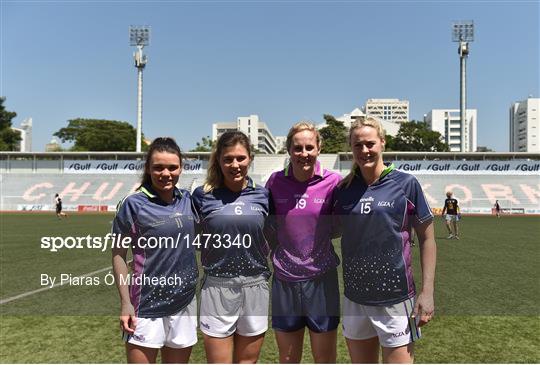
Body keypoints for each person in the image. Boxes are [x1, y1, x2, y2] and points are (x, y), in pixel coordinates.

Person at [333, 116, 437, 364]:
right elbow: (330, 230)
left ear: (382, 143)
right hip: (355, 299)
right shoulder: (343, 189)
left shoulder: (406, 184)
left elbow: (427, 239)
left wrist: (427, 292)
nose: (364, 150)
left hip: (396, 299)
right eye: (357, 145)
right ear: (351, 147)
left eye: (370, 143)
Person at [111, 137, 199, 363]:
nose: (166, 173)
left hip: (184, 303)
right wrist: (125, 303)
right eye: (158, 167)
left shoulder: (188, 200)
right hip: (145, 305)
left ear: (181, 168)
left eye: (172, 167)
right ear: (148, 169)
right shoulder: (133, 204)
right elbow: (119, 255)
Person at [265, 121, 341, 363]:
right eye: (298, 148)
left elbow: (340, 225)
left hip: (322, 280)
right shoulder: (275, 182)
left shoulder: (334, 182)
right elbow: (268, 226)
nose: (304, 154)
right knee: (288, 359)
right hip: (284, 280)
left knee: (325, 358)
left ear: (319, 148)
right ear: (289, 150)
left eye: (310, 147)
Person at [192, 131, 271, 364]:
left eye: (240, 158)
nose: (234, 165)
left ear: (250, 158)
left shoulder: (263, 195)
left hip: (255, 284)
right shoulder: (202, 196)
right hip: (217, 285)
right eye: (228, 159)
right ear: (218, 160)